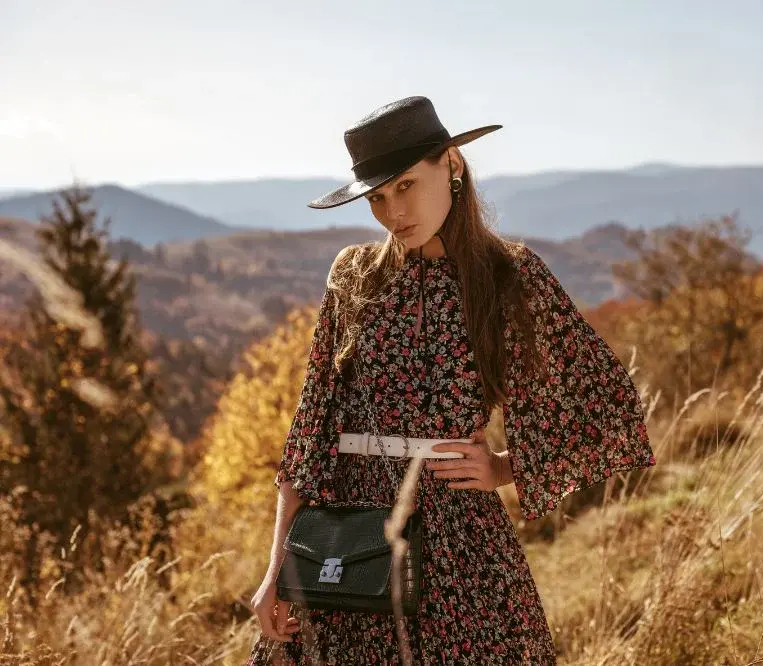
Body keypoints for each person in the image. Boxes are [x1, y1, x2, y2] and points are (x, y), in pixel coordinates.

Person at [245, 96, 656, 665]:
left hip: (457, 549)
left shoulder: (507, 276)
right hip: (343, 549)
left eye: (407, 186)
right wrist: (277, 571)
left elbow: (605, 411)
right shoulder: (353, 275)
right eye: (378, 197)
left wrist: (504, 468)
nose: (393, 212)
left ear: (453, 164)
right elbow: (310, 435)